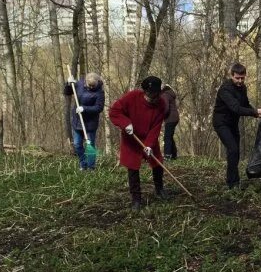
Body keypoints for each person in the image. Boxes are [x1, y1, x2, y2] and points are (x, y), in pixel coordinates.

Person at [109, 76, 169, 210]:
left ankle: (159, 189)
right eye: (150, 95)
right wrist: (125, 123)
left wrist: (149, 144)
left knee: (157, 161)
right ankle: (136, 198)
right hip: (131, 137)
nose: (152, 98)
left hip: (148, 137)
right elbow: (114, 112)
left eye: (155, 95)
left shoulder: (161, 104)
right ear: (145, 91)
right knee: (133, 167)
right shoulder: (132, 97)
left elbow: (156, 127)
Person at [212, 63, 261, 189]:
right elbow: (236, 108)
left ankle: (233, 180)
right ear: (232, 75)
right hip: (221, 123)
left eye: (242, 78)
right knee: (232, 149)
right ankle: (232, 183)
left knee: (235, 152)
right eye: (237, 78)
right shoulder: (225, 89)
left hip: (232, 123)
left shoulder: (243, 88)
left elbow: (245, 105)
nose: (240, 81)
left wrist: (256, 114)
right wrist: (257, 111)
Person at [64, 72, 105, 170]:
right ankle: (83, 163)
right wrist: (69, 84)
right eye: (88, 85)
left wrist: (84, 108)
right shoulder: (80, 83)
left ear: (97, 83)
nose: (90, 87)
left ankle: (91, 167)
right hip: (77, 122)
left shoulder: (99, 92)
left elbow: (99, 108)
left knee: (90, 145)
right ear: (85, 81)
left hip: (90, 124)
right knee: (77, 144)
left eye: (92, 86)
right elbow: (67, 92)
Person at [161, 84, 179, 160]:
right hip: (175, 118)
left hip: (170, 118)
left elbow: (166, 108)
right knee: (170, 136)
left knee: (167, 137)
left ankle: (167, 155)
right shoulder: (170, 94)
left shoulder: (165, 95)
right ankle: (174, 155)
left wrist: (162, 115)